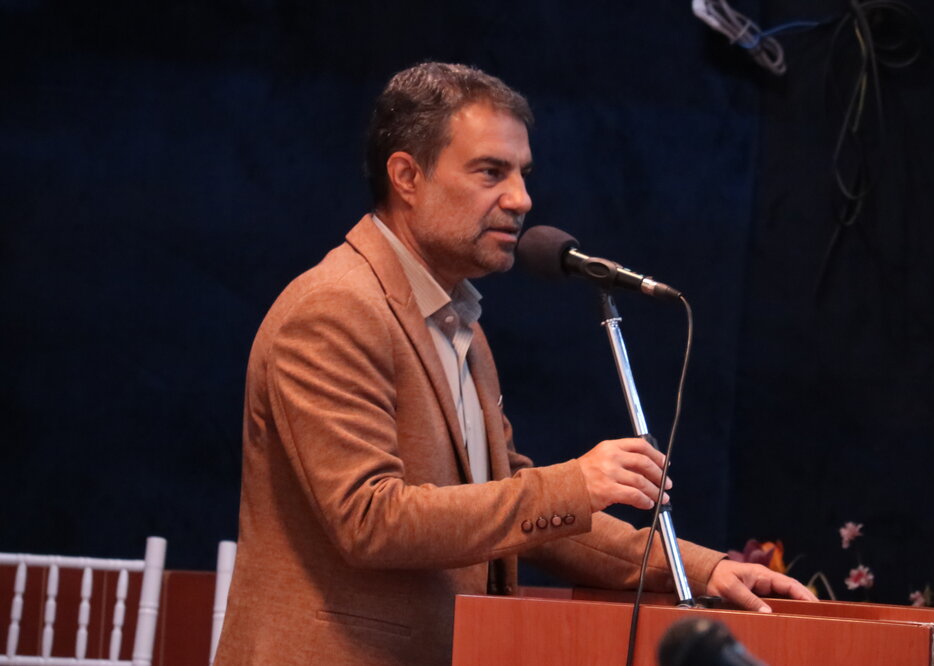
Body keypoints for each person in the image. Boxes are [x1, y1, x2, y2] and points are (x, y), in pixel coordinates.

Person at [214, 62, 815, 666]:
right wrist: (573, 484)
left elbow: (510, 510)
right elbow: (369, 519)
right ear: (407, 176)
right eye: (490, 172)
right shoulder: (334, 309)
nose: (522, 199)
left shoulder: (460, 325)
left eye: (523, 174)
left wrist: (703, 569)